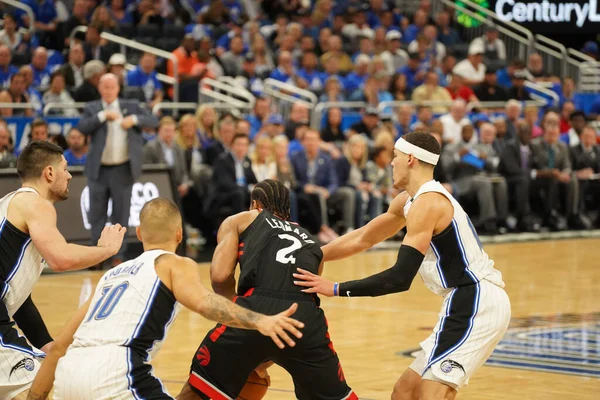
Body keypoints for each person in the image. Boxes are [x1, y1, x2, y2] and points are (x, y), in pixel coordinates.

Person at [294, 132, 511, 400]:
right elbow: (364, 237)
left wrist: (335, 288)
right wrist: (314, 255)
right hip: (461, 301)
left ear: (410, 159)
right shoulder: (408, 201)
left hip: (477, 300)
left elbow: (399, 278)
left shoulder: (429, 203)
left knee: (430, 392)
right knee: (404, 392)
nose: (390, 163)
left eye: (395, 157)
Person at [26, 197, 304, 400]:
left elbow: (60, 347)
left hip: (69, 374)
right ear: (180, 234)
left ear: (139, 234)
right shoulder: (174, 263)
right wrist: (259, 321)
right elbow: (206, 303)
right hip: (116, 372)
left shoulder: (111, 276)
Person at [176, 180, 358, 400]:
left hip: (256, 305)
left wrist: (240, 317)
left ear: (254, 204)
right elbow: (306, 293)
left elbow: (220, 277)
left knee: (196, 391)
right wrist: (264, 356)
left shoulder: (241, 219)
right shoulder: (310, 240)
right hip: (304, 321)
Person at [0, 141, 125, 400]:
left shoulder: (11, 203)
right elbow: (60, 259)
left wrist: (46, 343)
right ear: (49, 173)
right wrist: (106, 250)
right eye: (65, 168)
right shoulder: (36, 205)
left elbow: (18, 299)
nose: (69, 175)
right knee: (35, 385)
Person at [77, 73, 159, 266]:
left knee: (121, 214)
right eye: (104, 87)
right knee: (96, 214)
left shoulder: (130, 106)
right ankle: (96, 255)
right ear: (99, 89)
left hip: (123, 169)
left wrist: (135, 120)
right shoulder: (92, 108)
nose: (108, 91)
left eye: (111, 87)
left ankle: (118, 255)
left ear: (117, 89)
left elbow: (153, 121)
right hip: (99, 170)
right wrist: (102, 116)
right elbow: (81, 127)